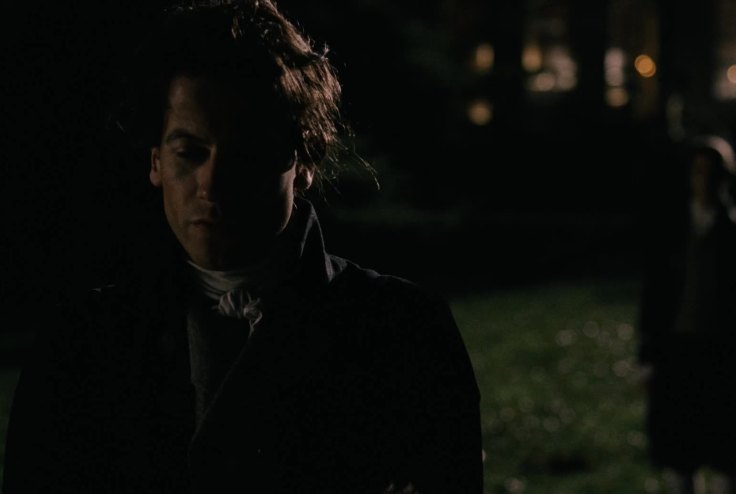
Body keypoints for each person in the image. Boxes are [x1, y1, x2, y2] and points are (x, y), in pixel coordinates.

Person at [2, 1, 483, 492]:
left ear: (305, 158)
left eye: (246, 153)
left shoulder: (402, 332)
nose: (211, 184)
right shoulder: (81, 344)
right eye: (189, 152)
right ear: (155, 161)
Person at [636, 134, 736, 494]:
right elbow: (653, 298)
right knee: (679, 458)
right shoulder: (671, 232)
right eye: (699, 171)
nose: (706, 180)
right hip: (677, 356)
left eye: (714, 172)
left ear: (727, 178)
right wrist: (647, 356)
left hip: (726, 357)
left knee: (728, 459)